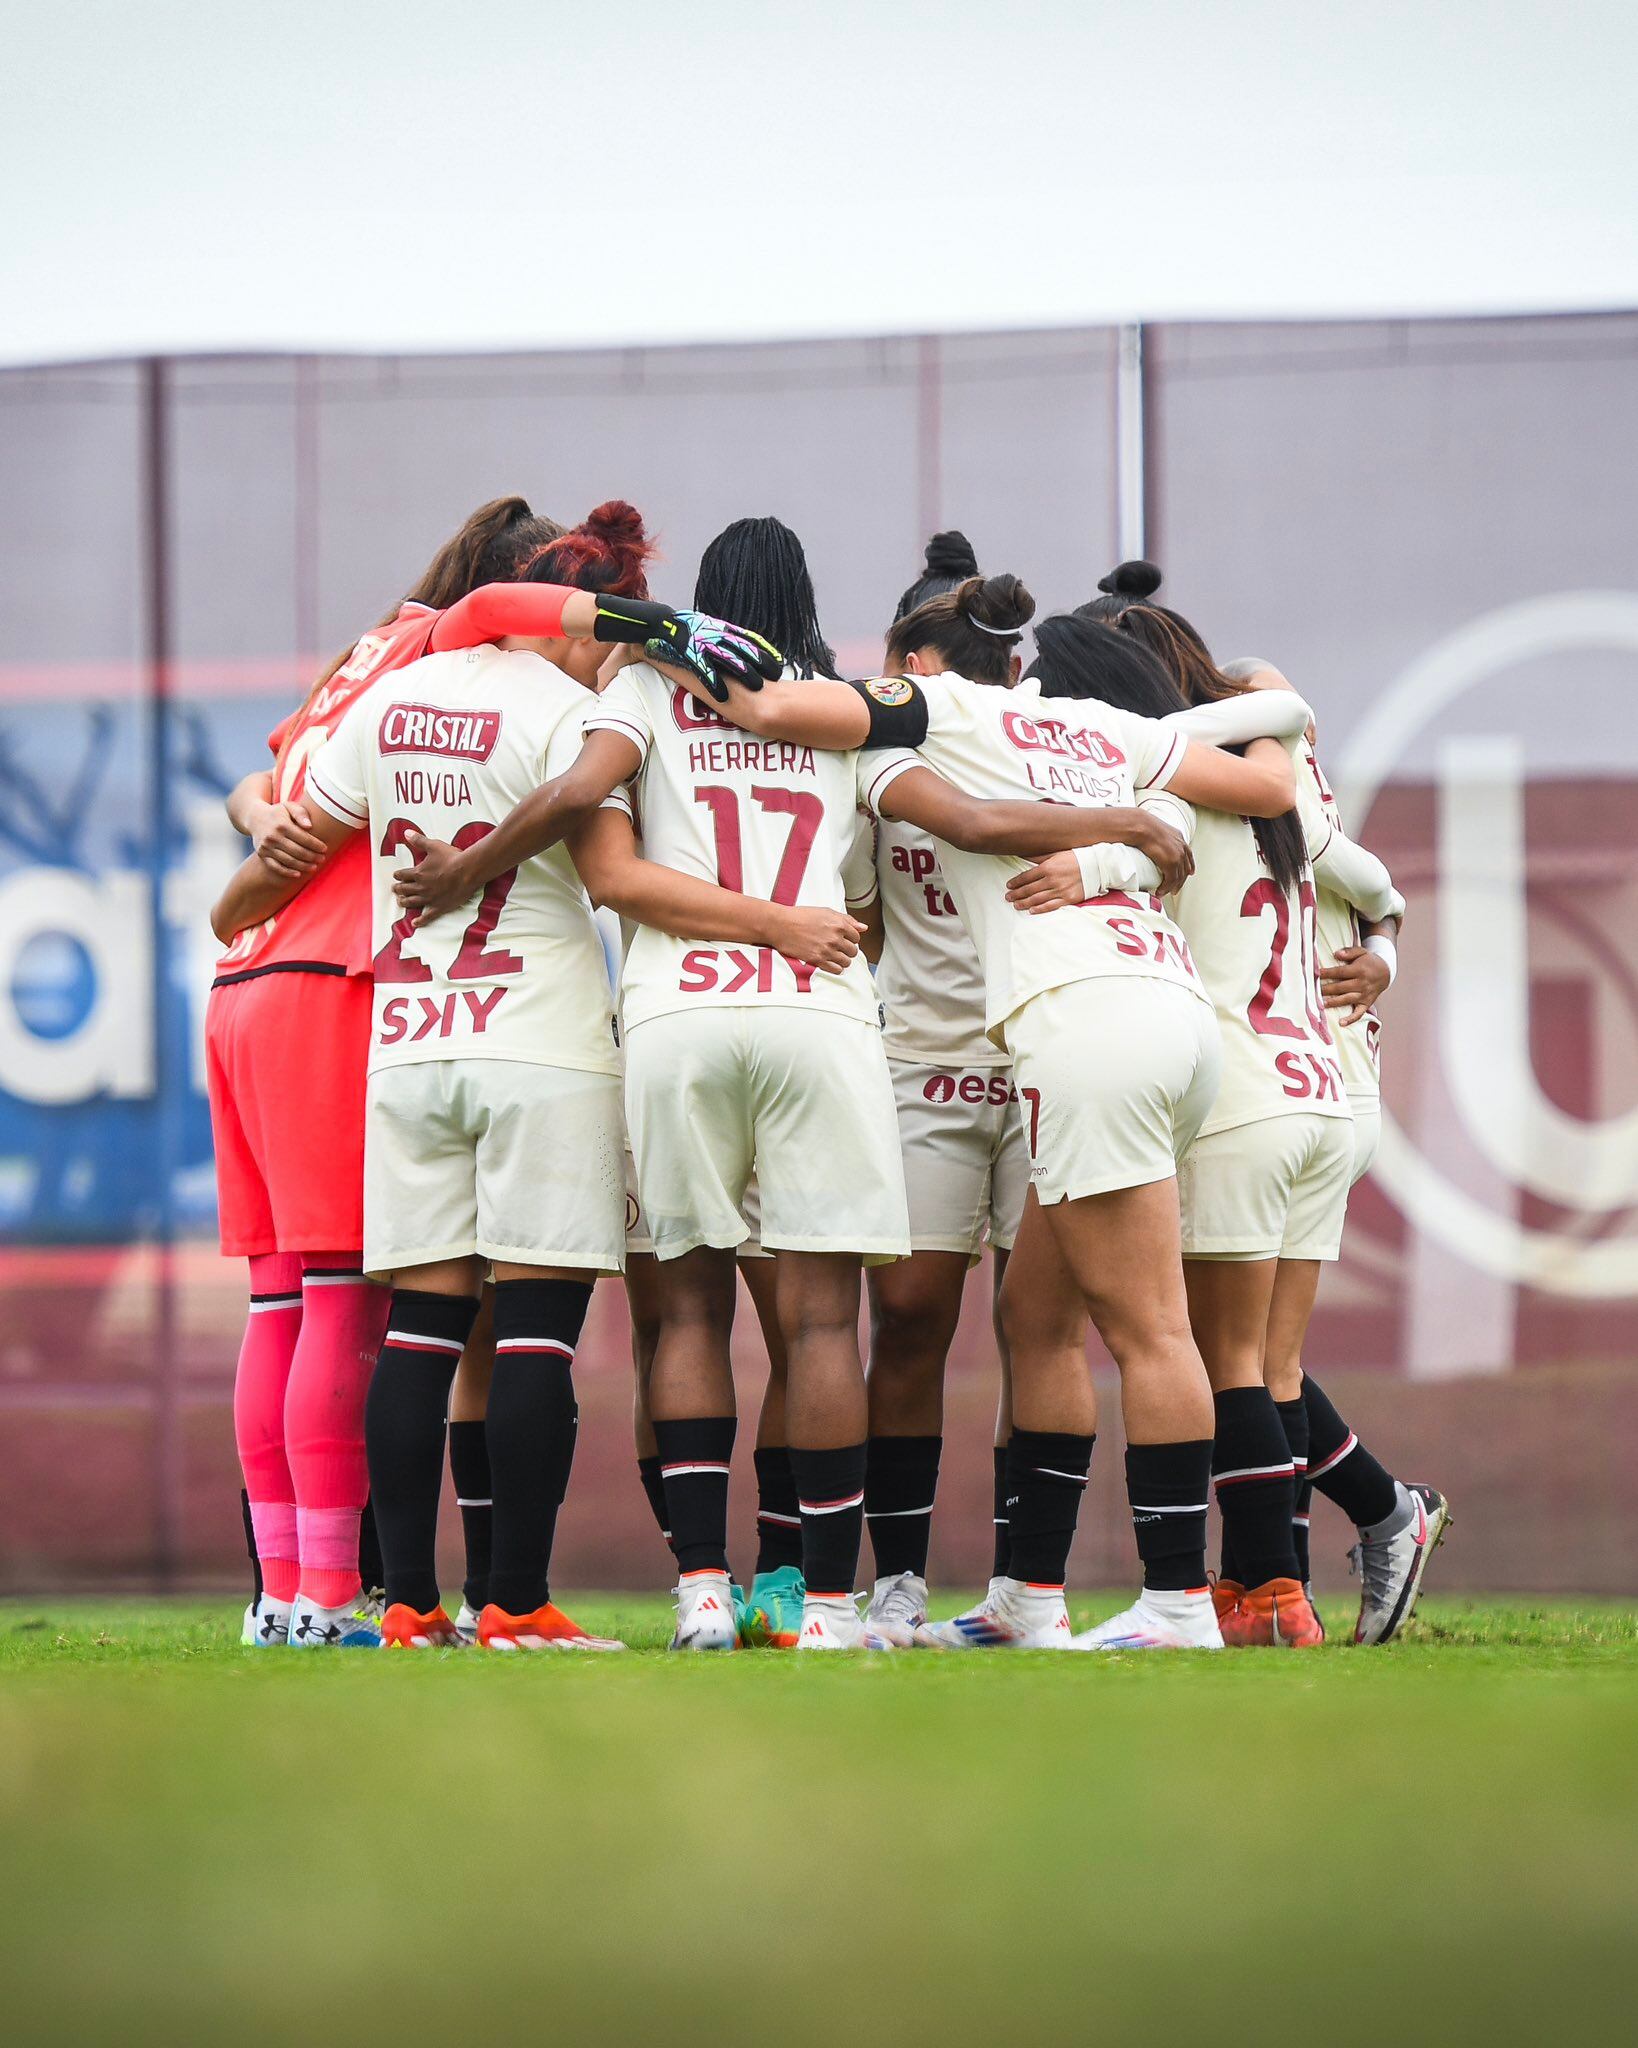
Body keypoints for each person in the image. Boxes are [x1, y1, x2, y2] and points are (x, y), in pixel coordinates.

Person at [391, 577, 1188, 1651]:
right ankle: (820, 1602)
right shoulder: (837, 704)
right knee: (822, 1322)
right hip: (822, 1017)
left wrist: (467, 866)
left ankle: (704, 1591)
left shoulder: (643, 688)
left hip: (678, 1020)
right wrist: (1122, 822)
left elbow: (592, 822)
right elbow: (970, 825)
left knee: (685, 1317)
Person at [634, 573, 1319, 1651]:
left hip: (1069, 1036)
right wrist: (1256, 699)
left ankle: (1173, 1599)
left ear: (926, 664)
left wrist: (644, 634)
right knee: (1016, 1322)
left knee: (1138, 1326)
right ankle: (1015, 1598)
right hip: (1107, 1032)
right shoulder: (1097, 731)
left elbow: (771, 708)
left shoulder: (946, 718)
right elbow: (1272, 771)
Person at [211, 506, 782, 1649]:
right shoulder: (581, 714)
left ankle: (406, 1605)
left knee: (419, 1336)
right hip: (538, 1044)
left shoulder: (388, 702)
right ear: (581, 624)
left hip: (410, 1046)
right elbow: (617, 871)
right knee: (532, 1339)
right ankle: (515, 1602)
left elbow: (271, 866)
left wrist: (230, 912)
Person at [210, 493, 566, 1649]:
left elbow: (253, 786)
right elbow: (517, 608)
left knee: (277, 1302)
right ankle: (324, 1593)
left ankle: (279, 1591)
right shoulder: (444, 649)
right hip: (329, 978)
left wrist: (267, 821)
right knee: (343, 1306)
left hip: (244, 982)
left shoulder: (367, 646)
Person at [858, 531, 1071, 1647]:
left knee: (1039, 1325)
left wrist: (1374, 936)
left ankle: (1023, 1589)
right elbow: (852, 911)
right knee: (905, 1318)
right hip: (920, 1072)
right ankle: (895, 1580)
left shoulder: (1058, 745)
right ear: (904, 662)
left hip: (1045, 1068)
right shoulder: (876, 755)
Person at [1219, 654, 1452, 1641]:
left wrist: (1388, 953)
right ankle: (1289, 1578)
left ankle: (1357, 1522)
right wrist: (1390, 949)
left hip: (1301, 1095)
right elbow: (1382, 889)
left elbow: (1376, 882)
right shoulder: (1300, 809)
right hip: (1329, 1097)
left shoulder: (1282, 808)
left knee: (1240, 1355)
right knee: (1270, 1360)